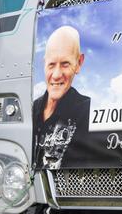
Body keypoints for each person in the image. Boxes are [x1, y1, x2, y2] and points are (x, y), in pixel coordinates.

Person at [32, 25, 91, 169]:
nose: (57, 74)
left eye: (65, 64)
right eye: (51, 65)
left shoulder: (87, 111)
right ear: (44, 64)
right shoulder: (31, 109)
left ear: (79, 63)